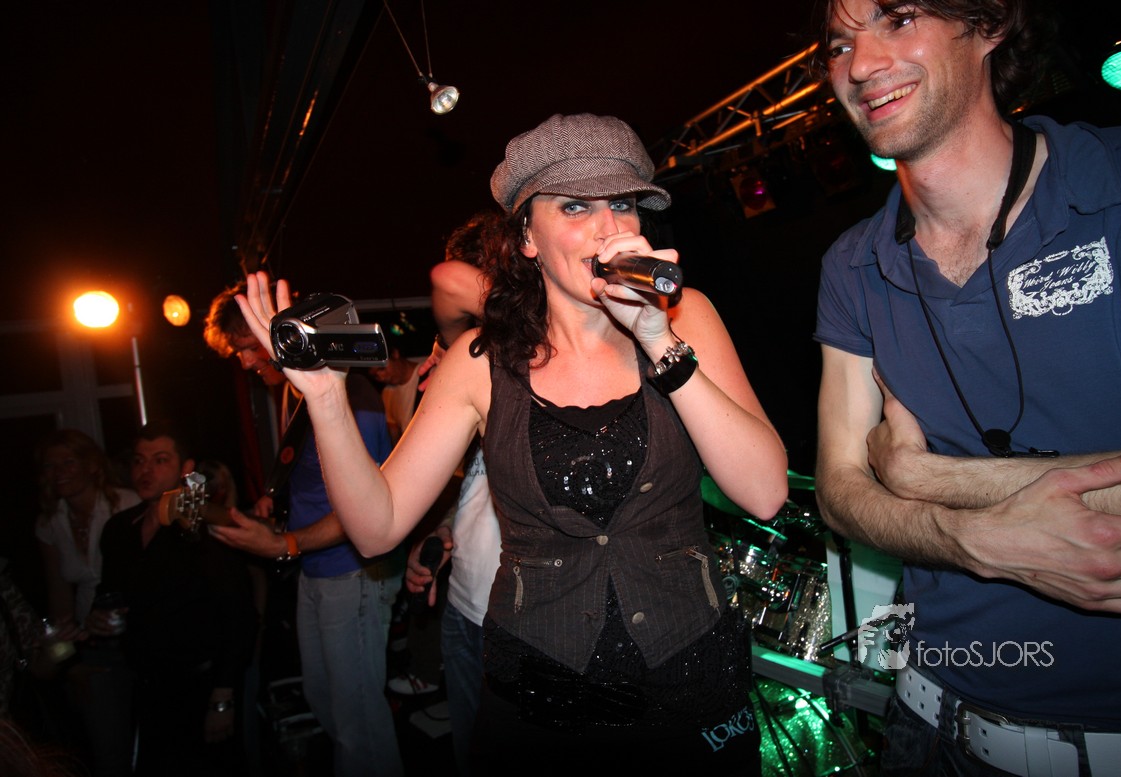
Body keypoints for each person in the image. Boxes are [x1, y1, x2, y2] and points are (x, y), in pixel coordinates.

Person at [236, 112, 789, 774]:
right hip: (541, 698)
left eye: (622, 204)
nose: (609, 227)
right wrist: (325, 399)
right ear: (527, 235)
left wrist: (657, 340)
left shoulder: (685, 317)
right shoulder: (481, 361)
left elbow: (764, 492)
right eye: (576, 206)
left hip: (690, 687)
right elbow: (377, 528)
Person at [812, 0, 1121, 773]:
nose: (860, 64)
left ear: (990, 23)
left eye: (898, 17)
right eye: (839, 43)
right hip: (927, 721)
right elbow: (838, 487)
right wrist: (969, 539)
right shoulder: (851, 264)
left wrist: (926, 477)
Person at [203, 282, 404, 777]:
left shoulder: (351, 397)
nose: (246, 363)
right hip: (315, 566)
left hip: (353, 572)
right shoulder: (293, 392)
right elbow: (318, 483)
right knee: (322, 700)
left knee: (358, 722)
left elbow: (370, 508)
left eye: (249, 347)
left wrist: (284, 543)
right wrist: (277, 506)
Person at [92, 421, 257, 777]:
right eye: (139, 461)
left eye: (160, 460)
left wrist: (223, 695)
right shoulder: (119, 530)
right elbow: (109, 592)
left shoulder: (201, 528)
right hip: (146, 686)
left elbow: (237, 612)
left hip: (202, 686)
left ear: (186, 468)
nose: (145, 470)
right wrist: (99, 616)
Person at [403, 210, 505, 775]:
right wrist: (446, 533)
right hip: (464, 606)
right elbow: (482, 477)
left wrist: (457, 339)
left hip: (515, 622)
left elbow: (447, 278)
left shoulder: (544, 352)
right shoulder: (475, 364)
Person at [34, 430, 139, 641]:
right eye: (49, 466)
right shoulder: (49, 523)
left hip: (133, 622)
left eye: (68, 462)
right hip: (88, 631)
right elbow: (59, 592)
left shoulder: (127, 505)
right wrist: (65, 639)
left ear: (91, 465)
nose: (59, 472)